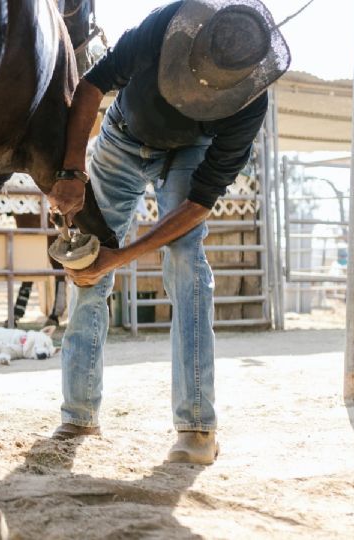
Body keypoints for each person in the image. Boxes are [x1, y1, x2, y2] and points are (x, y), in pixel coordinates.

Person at [47, 0, 290, 464]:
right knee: (87, 265)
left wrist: (120, 258)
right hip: (122, 136)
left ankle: (197, 425)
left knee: (186, 265)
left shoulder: (250, 101)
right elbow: (93, 85)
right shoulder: (166, 24)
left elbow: (198, 205)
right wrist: (72, 169)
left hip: (191, 152)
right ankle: (78, 413)